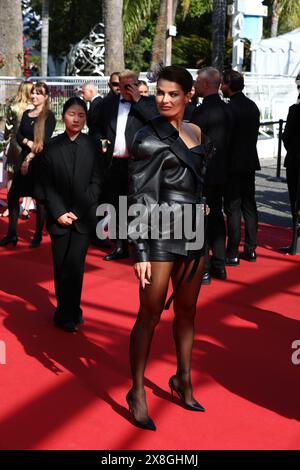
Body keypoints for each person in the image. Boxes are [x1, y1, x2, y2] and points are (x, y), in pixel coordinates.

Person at [126, 65, 211, 431]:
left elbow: (197, 178)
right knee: (150, 313)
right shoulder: (147, 136)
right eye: (159, 92)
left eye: (173, 93)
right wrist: (140, 250)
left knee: (188, 312)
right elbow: (138, 195)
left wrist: (202, 202)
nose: (163, 99)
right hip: (159, 229)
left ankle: (183, 380)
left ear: (189, 96)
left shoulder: (195, 130)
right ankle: (138, 392)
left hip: (194, 229)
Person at [42, 97, 103, 333]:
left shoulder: (93, 145)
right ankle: (64, 311)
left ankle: (71, 311)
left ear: (85, 118)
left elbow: (97, 182)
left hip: (83, 217)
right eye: (71, 114)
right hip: (58, 218)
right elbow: (45, 184)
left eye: (81, 115)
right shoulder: (51, 146)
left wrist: (77, 211)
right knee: (60, 266)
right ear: (63, 116)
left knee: (75, 267)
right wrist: (58, 212)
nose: (76, 119)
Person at [92, 69, 158, 261]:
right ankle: (120, 246)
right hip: (114, 163)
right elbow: (94, 126)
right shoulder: (108, 104)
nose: (129, 89)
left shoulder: (148, 103)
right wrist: (100, 141)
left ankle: (142, 249)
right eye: (125, 86)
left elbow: (157, 123)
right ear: (118, 86)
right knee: (117, 205)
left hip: (139, 164)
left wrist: (138, 99)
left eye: (133, 85)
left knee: (139, 206)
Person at [0, 82, 56, 248]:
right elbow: (18, 135)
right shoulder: (26, 114)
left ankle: (37, 235)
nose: (34, 96)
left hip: (39, 161)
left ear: (45, 97)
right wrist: (28, 142)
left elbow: (44, 142)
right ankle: (12, 234)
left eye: (39, 93)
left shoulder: (49, 116)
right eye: (33, 93)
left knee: (40, 199)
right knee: (12, 195)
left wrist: (29, 158)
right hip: (24, 156)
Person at [191, 67, 233, 284]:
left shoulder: (200, 113)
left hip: (203, 174)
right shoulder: (228, 110)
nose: (195, 85)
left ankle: (204, 269)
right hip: (222, 174)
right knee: (217, 218)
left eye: (198, 81)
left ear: (206, 84)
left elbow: (192, 144)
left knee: (201, 221)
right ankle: (219, 265)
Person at [221, 69, 260, 264]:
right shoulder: (252, 106)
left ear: (229, 85)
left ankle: (233, 252)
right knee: (249, 206)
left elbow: (225, 140)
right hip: (249, 163)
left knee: (233, 208)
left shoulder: (228, 109)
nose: (221, 86)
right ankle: (251, 249)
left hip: (232, 165)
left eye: (223, 83)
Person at [1, 81, 34, 218]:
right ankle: (26, 208)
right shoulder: (34, 108)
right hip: (29, 145)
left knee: (11, 178)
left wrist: (4, 144)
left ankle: (11, 207)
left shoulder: (13, 107)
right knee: (30, 177)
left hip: (15, 145)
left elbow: (8, 129)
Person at [282, 73, 300, 252]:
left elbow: (286, 137)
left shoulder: (295, 111)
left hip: (296, 161)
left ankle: (296, 244)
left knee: (295, 201)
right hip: (295, 159)